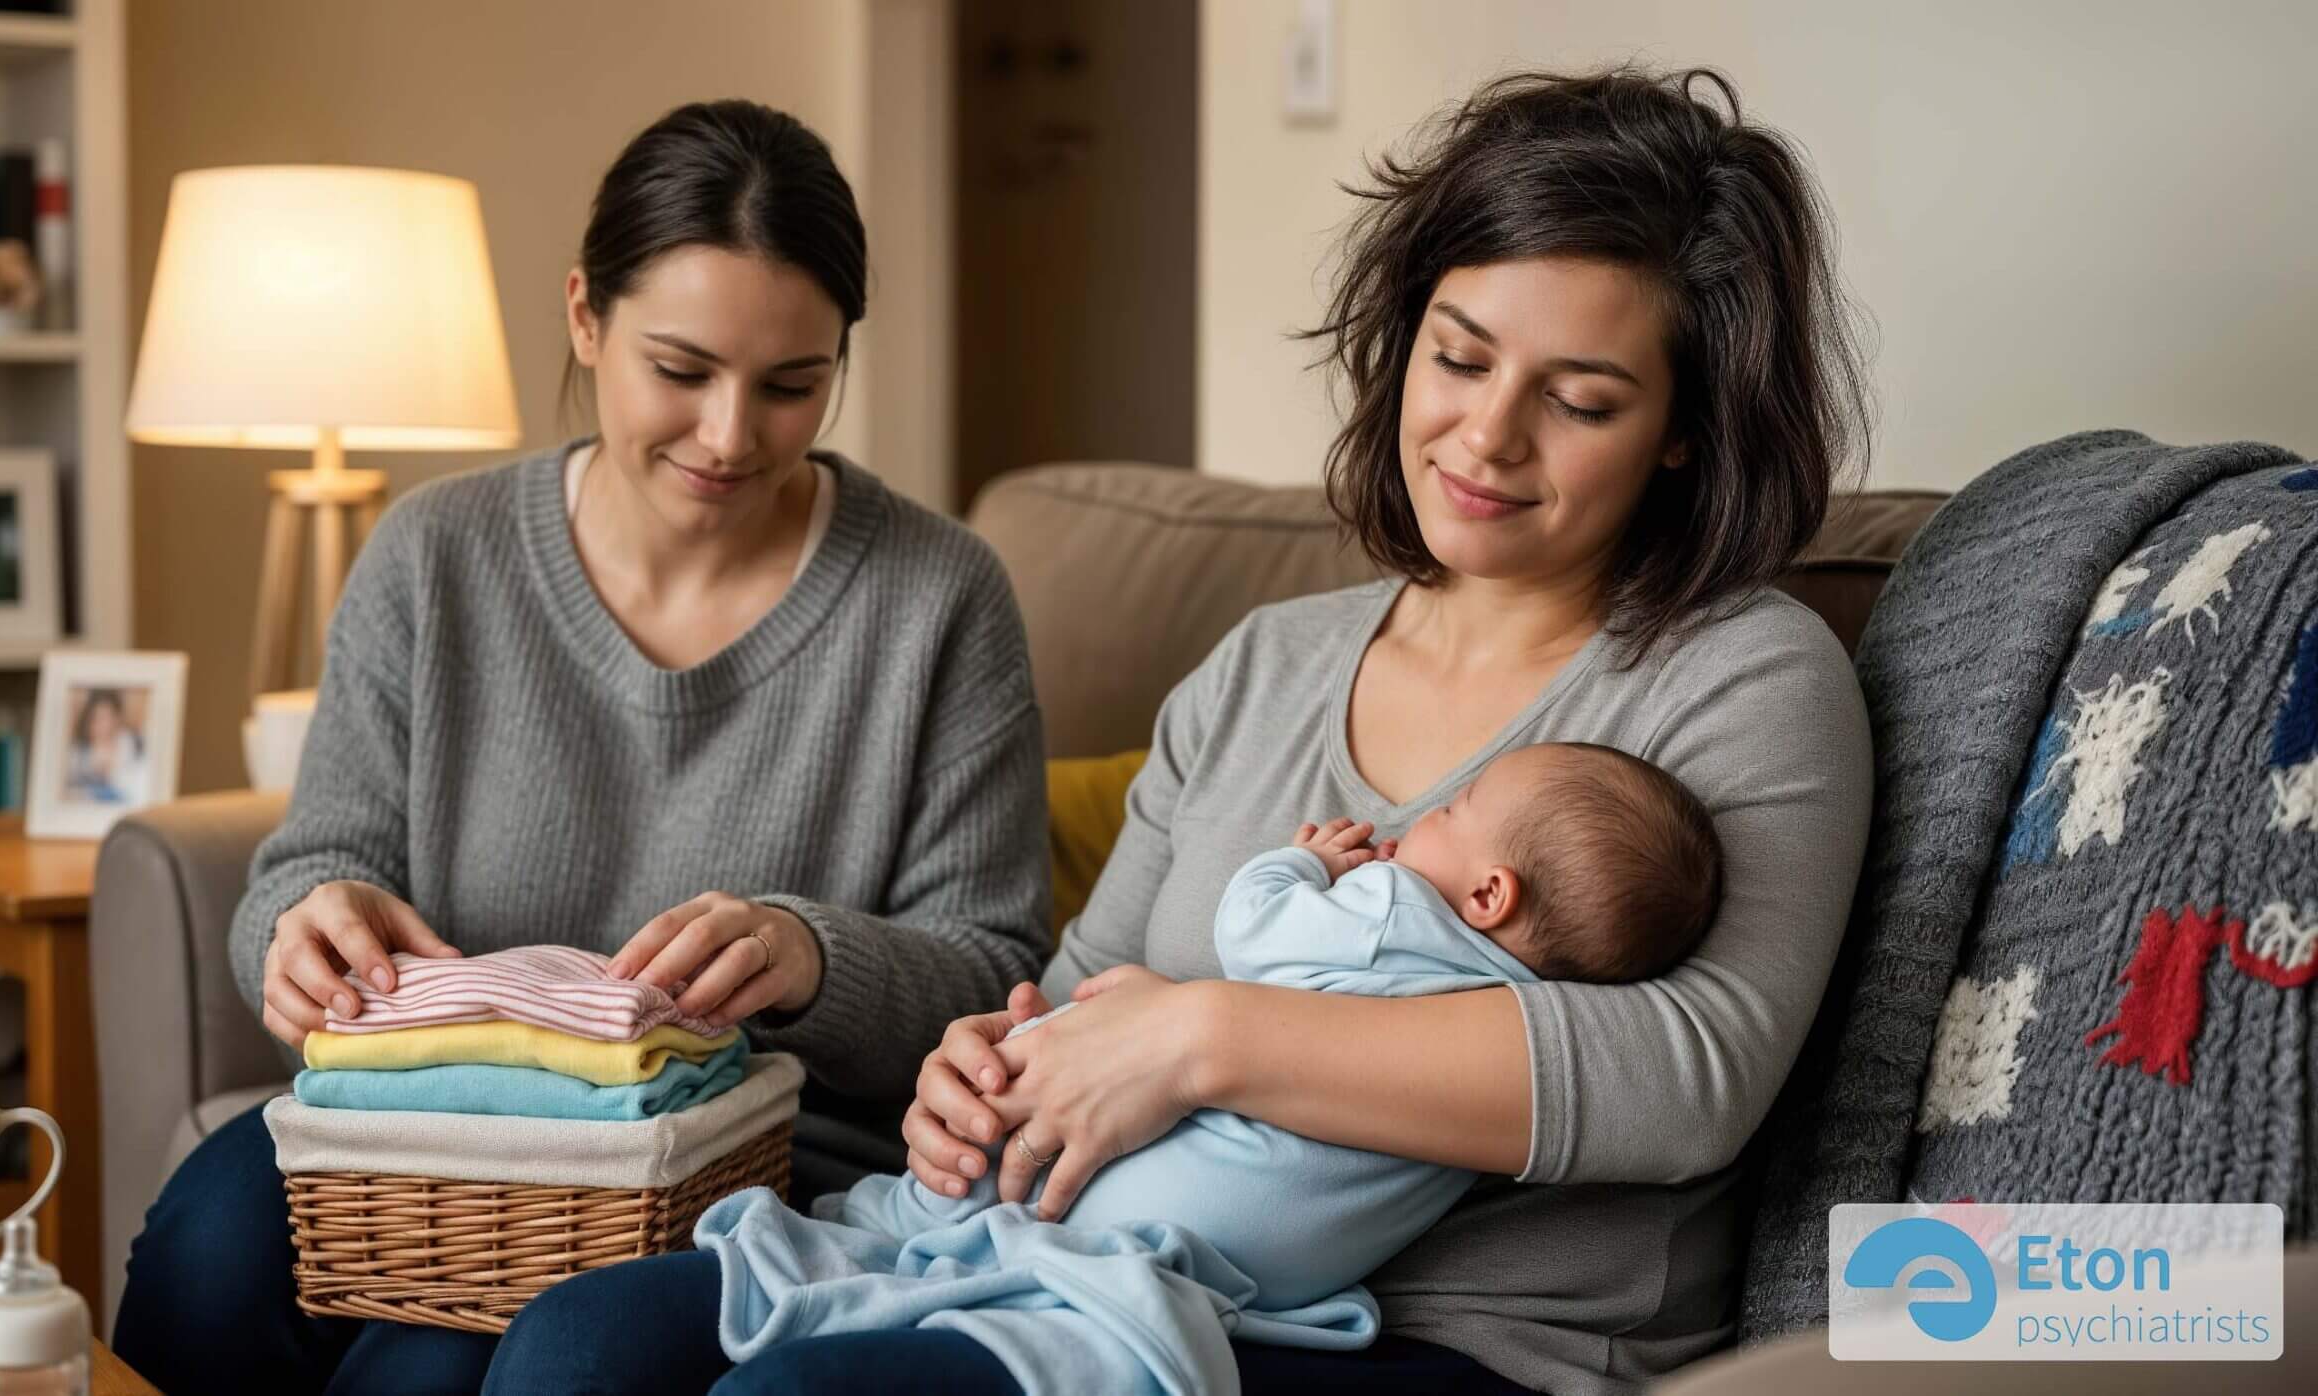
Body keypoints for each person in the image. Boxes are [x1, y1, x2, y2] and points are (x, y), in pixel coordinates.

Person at [487, 65, 1876, 1396]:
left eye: (1579, 401)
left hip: (1447, 1343)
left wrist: (1207, 1037)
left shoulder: (1743, 678)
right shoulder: (1267, 665)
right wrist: (980, 1078)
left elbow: (1688, 1079)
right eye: (1458, 359)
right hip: (1055, 1253)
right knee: (579, 1348)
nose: (1487, 438)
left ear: (1685, 431)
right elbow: (1085, 984)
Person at [109, 99, 1051, 1396]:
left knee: (418, 1376)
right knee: (203, 1259)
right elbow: (315, 858)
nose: (730, 436)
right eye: (681, 370)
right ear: (583, 319)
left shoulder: (939, 597)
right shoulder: (436, 557)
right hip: (435, 1122)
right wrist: (299, 924)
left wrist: (808, 956)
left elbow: (995, 971)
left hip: (742, 1156)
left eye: (792, 386)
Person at [671, 743, 1722, 1395]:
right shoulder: (1510, 997)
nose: (1417, 822)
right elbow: (1058, 982)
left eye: (1451, 812)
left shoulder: (1396, 914)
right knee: (587, 1342)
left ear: (1488, 895)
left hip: (1371, 1324)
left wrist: (1299, 866)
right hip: (1235, 1272)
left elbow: (1253, 932)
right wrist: (975, 1048)